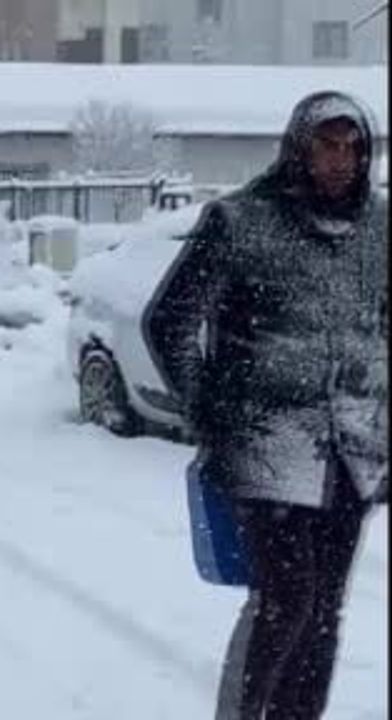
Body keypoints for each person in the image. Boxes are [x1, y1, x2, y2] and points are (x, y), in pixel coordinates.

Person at [144, 91, 387, 719]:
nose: (340, 161)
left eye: (352, 149)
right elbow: (169, 321)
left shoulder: (380, 231)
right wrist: (212, 412)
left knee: (325, 607)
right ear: (298, 147)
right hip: (264, 442)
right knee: (287, 599)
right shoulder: (241, 222)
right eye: (326, 146)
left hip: (353, 446)